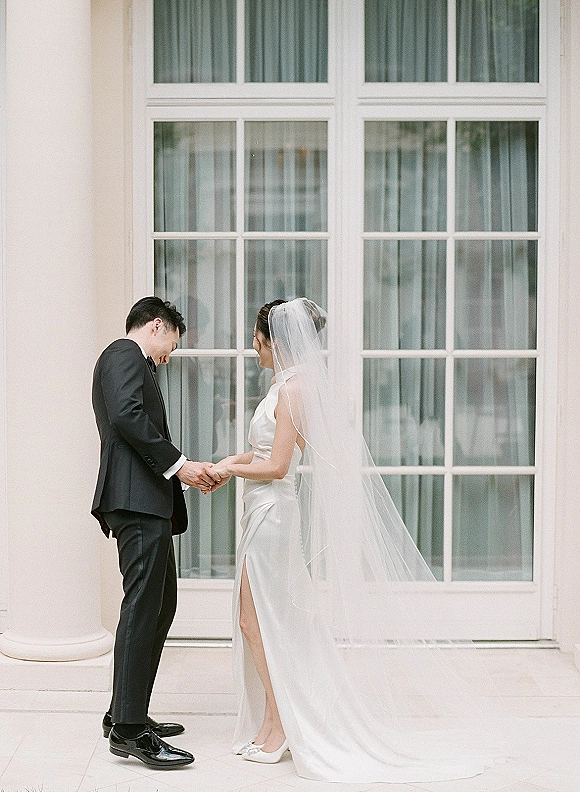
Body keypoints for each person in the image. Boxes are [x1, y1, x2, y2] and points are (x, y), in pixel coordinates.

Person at [209, 297, 505, 783]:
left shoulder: (294, 391)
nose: (253, 346)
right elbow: (261, 451)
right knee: (256, 618)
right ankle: (273, 718)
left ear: (274, 340)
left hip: (273, 514)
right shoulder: (283, 386)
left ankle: (280, 721)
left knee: (255, 619)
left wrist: (227, 469)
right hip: (259, 510)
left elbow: (281, 465)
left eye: (257, 338)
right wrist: (229, 465)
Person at [91, 296, 215, 769]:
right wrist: (180, 466)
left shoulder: (130, 359)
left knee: (160, 605)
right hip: (136, 501)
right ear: (157, 325)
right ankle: (128, 730)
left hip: (145, 502)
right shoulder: (123, 353)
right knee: (144, 606)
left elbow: (131, 419)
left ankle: (127, 712)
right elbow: (126, 415)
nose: (168, 357)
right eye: (171, 346)